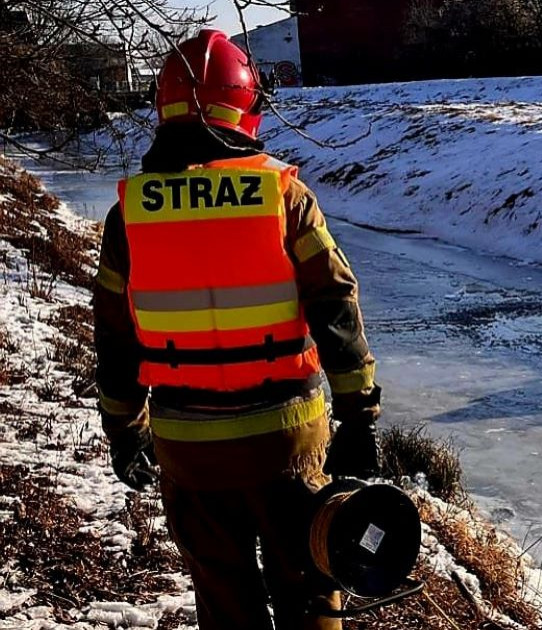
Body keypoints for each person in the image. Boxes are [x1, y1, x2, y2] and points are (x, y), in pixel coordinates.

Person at [92, 30, 379, 630]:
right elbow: (335, 304)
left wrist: (124, 429)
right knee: (309, 588)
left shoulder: (130, 216)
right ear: (247, 107)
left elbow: (115, 337)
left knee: (224, 602)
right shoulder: (283, 197)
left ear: (162, 109)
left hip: (188, 450)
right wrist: (358, 415)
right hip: (288, 440)